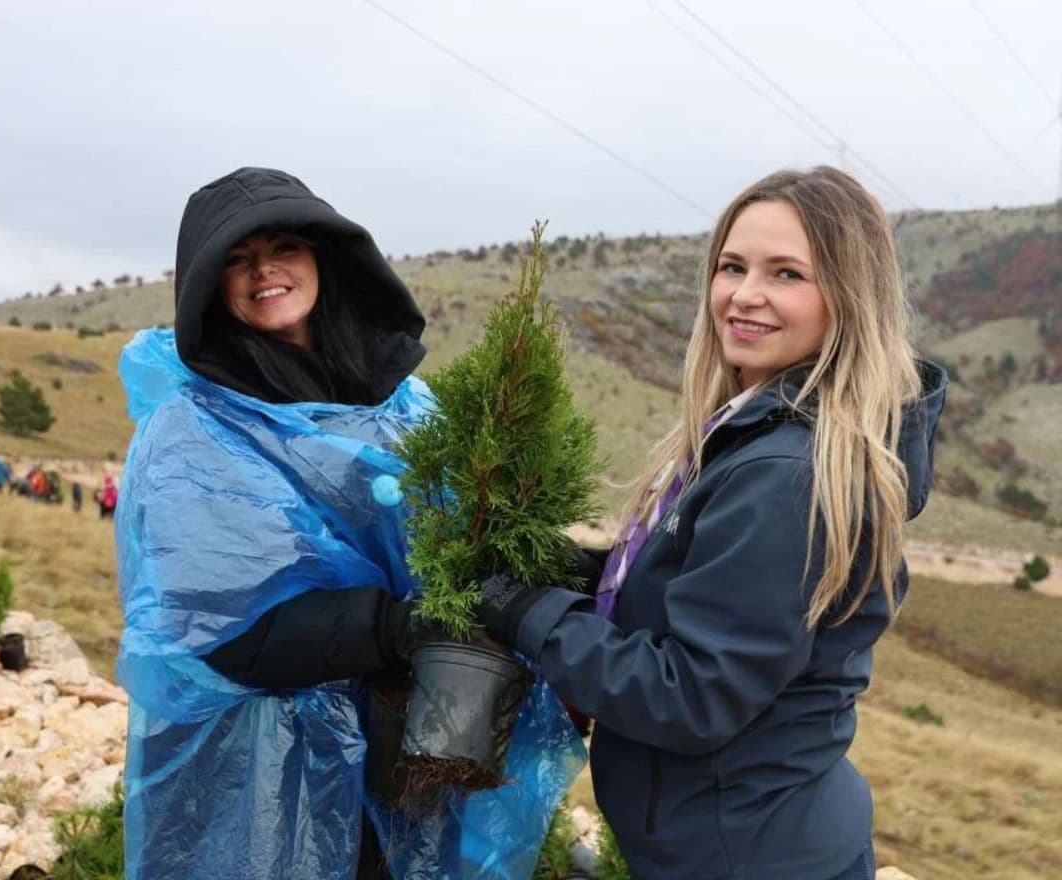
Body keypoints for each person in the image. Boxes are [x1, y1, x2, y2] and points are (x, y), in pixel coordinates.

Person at [473, 167, 948, 880]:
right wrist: (571, 570)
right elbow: (702, 589)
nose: (745, 294)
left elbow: (691, 696)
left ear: (848, 298)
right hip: (752, 840)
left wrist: (529, 612)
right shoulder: (756, 436)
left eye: (787, 273)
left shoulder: (786, 474)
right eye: (733, 266)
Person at [114, 167, 580, 880]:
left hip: (405, 742)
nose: (265, 271)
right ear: (208, 282)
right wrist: (395, 627)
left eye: (284, 248)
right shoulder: (192, 429)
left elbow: (465, 536)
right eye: (238, 259)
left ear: (325, 258)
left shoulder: (404, 405)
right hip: (258, 766)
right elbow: (220, 628)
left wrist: (571, 565)